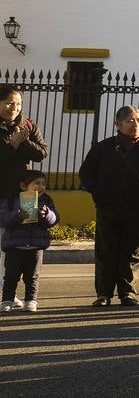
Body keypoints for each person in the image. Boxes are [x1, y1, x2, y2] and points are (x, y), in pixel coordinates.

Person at [78, 105, 139, 307]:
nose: (135, 124)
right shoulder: (105, 147)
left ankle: (128, 293)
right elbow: (87, 174)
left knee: (133, 254)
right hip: (109, 208)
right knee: (106, 252)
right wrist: (100, 194)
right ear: (117, 124)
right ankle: (103, 294)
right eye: (130, 121)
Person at [2, 170, 57, 312]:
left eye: (43, 184)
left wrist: (46, 215)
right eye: (37, 183)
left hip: (36, 246)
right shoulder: (11, 200)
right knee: (11, 276)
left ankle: (31, 300)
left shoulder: (46, 200)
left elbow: (54, 219)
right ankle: (7, 300)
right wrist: (18, 215)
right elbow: (4, 220)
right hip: (15, 245)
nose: (41, 186)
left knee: (32, 277)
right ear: (23, 185)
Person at [0, 86, 47, 194]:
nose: (14, 108)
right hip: (2, 194)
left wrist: (23, 142)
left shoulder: (29, 126)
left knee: (28, 212)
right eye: (10, 103)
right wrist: (12, 146)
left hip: (26, 191)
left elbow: (41, 154)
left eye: (18, 104)